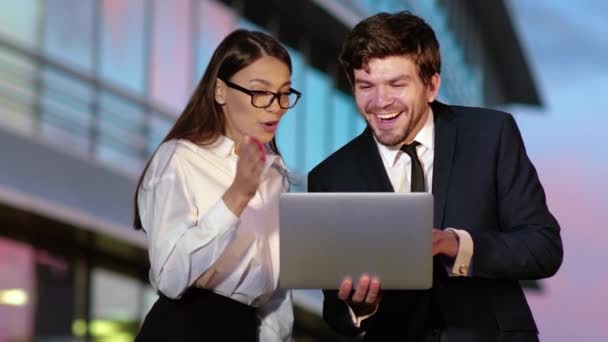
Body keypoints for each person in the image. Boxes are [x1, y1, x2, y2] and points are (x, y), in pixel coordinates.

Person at [308, 11, 563, 342]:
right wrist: (359, 306)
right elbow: (337, 313)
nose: (380, 101)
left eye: (396, 84)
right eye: (365, 86)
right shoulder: (330, 177)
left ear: (431, 86)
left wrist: (457, 245)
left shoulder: (490, 135)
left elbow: (543, 247)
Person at [133, 29, 301, 341]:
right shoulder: (181, 159)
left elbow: (276, 293)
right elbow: (170, 278)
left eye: (284, 93)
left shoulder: (276, 177)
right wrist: (235, 197)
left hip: (243, 329)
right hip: (183, 329)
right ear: (221, 91)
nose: (276, 106)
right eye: (260, 91)